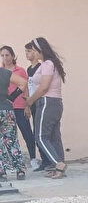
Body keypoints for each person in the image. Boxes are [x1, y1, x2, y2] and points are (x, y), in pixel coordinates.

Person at [25, 38, 68, 179]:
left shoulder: (47, 64)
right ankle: (59, 167)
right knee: (54, 137)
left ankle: (58, 164)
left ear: (40, 50)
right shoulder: (49, 64)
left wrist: (30, 100)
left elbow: (44, 87)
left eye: (34, 50)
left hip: (47, 102)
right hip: (55, 102)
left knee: (40, 137)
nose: (33, 53)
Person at [1, 46, 37, 169]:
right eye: (2, 55)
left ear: (12, 56)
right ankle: (8, 164)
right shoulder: (1, 71)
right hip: (5, 108)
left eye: (7, 55)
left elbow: (26, 88)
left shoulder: (20, 71)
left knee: (27, 133)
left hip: (19, 106)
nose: (5, 58)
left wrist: (27, 106)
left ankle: (33, 159)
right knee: (7, 137)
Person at [0, 63, 29, 180]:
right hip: (7, 110)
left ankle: (2, 172)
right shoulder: (4, 72)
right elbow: (23, 83)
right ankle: (20, 170)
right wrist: (11, 97)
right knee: (12, 140)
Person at [25, 42, 50, 171]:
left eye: (29, 51)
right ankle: (44, 161)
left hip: (40, 101)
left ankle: (48, 160)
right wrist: (28, 104)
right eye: (26, 51)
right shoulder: (29, 69)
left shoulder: (41, 67)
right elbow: (29, 86)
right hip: (32, 102)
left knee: (41, 132)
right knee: (36, 132)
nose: (27, 54)